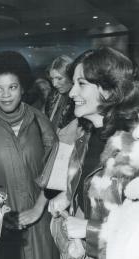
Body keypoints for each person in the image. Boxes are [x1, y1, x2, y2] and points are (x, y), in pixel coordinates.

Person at [0, 51, 58, 259]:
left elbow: (57, 168)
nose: (6, 95)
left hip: (41, 222)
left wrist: (38, 209)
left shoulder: (40, 121)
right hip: (1, 228)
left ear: (22, 88)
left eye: (12, 87)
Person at [47, 47, 139, 259]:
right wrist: (69, 195)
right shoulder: (86, 135)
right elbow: (87, 183)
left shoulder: (133, 148)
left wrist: (88, 230)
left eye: (82, 84)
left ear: (107, 90)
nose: (71, 93)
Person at [46, 55, 75, 131]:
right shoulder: (53, 96)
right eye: (52, 79)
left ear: (71, 76)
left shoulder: (78, 100)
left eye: (59, 78)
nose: (54, 84)